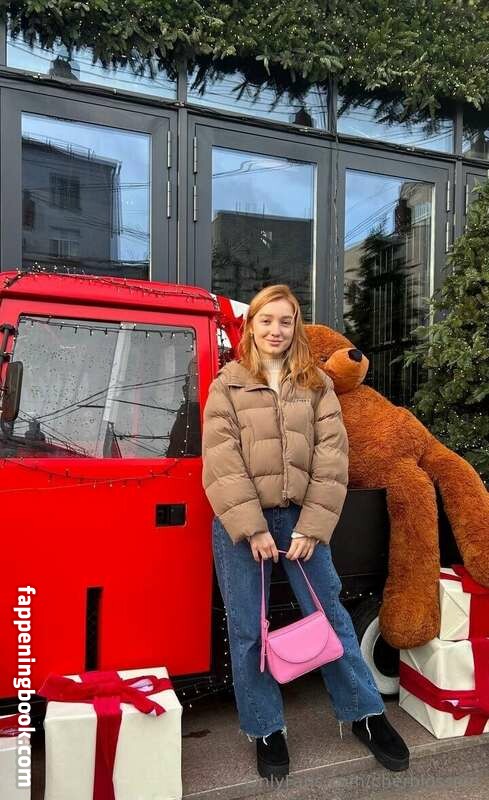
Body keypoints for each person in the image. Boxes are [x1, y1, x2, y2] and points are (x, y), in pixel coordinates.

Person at [201, 284, 410, 779]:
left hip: (302, 520)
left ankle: (364, 713)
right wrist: (252, 529)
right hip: (242, 525)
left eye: (286, 321)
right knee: (248, 628)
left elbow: (332, 459)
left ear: (296, 327)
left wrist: (312, 527)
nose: (276, 330)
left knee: (330, 615)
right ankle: (265, 727)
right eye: (266, 320)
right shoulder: (227, 385)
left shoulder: (317, 385)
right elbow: (221, 461)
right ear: (251, 326)